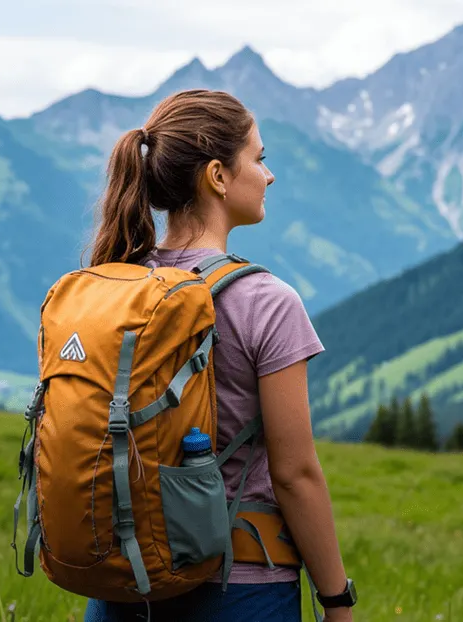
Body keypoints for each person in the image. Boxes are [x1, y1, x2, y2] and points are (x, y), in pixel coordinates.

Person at [81, 89, 356, 622]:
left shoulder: (115, 285)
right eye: (259, 159)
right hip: (240, 588)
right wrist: (337, 600)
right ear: (218, 176)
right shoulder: (265, 301)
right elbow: (295, 474)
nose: (268, 175)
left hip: (124, 581)